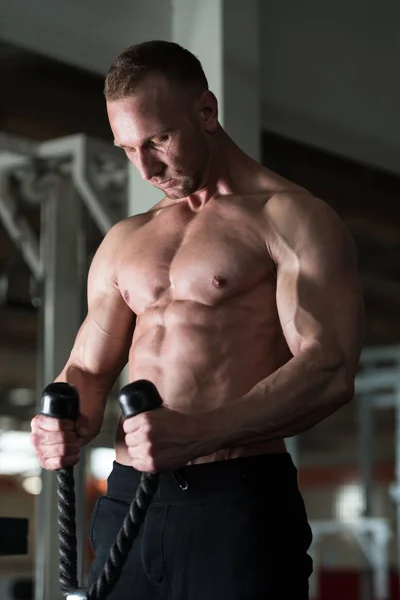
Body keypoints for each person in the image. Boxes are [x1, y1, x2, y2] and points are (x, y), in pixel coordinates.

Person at [30, 40, 364, 599]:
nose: (146, 167)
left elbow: (328, 369)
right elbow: (86, 371)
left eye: (158, 139)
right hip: (126, 501)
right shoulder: (126, 239)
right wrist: (64, 424)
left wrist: (200, 433)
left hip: (235, 503)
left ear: (206, 111)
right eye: (128, 149)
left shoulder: (290, 218)